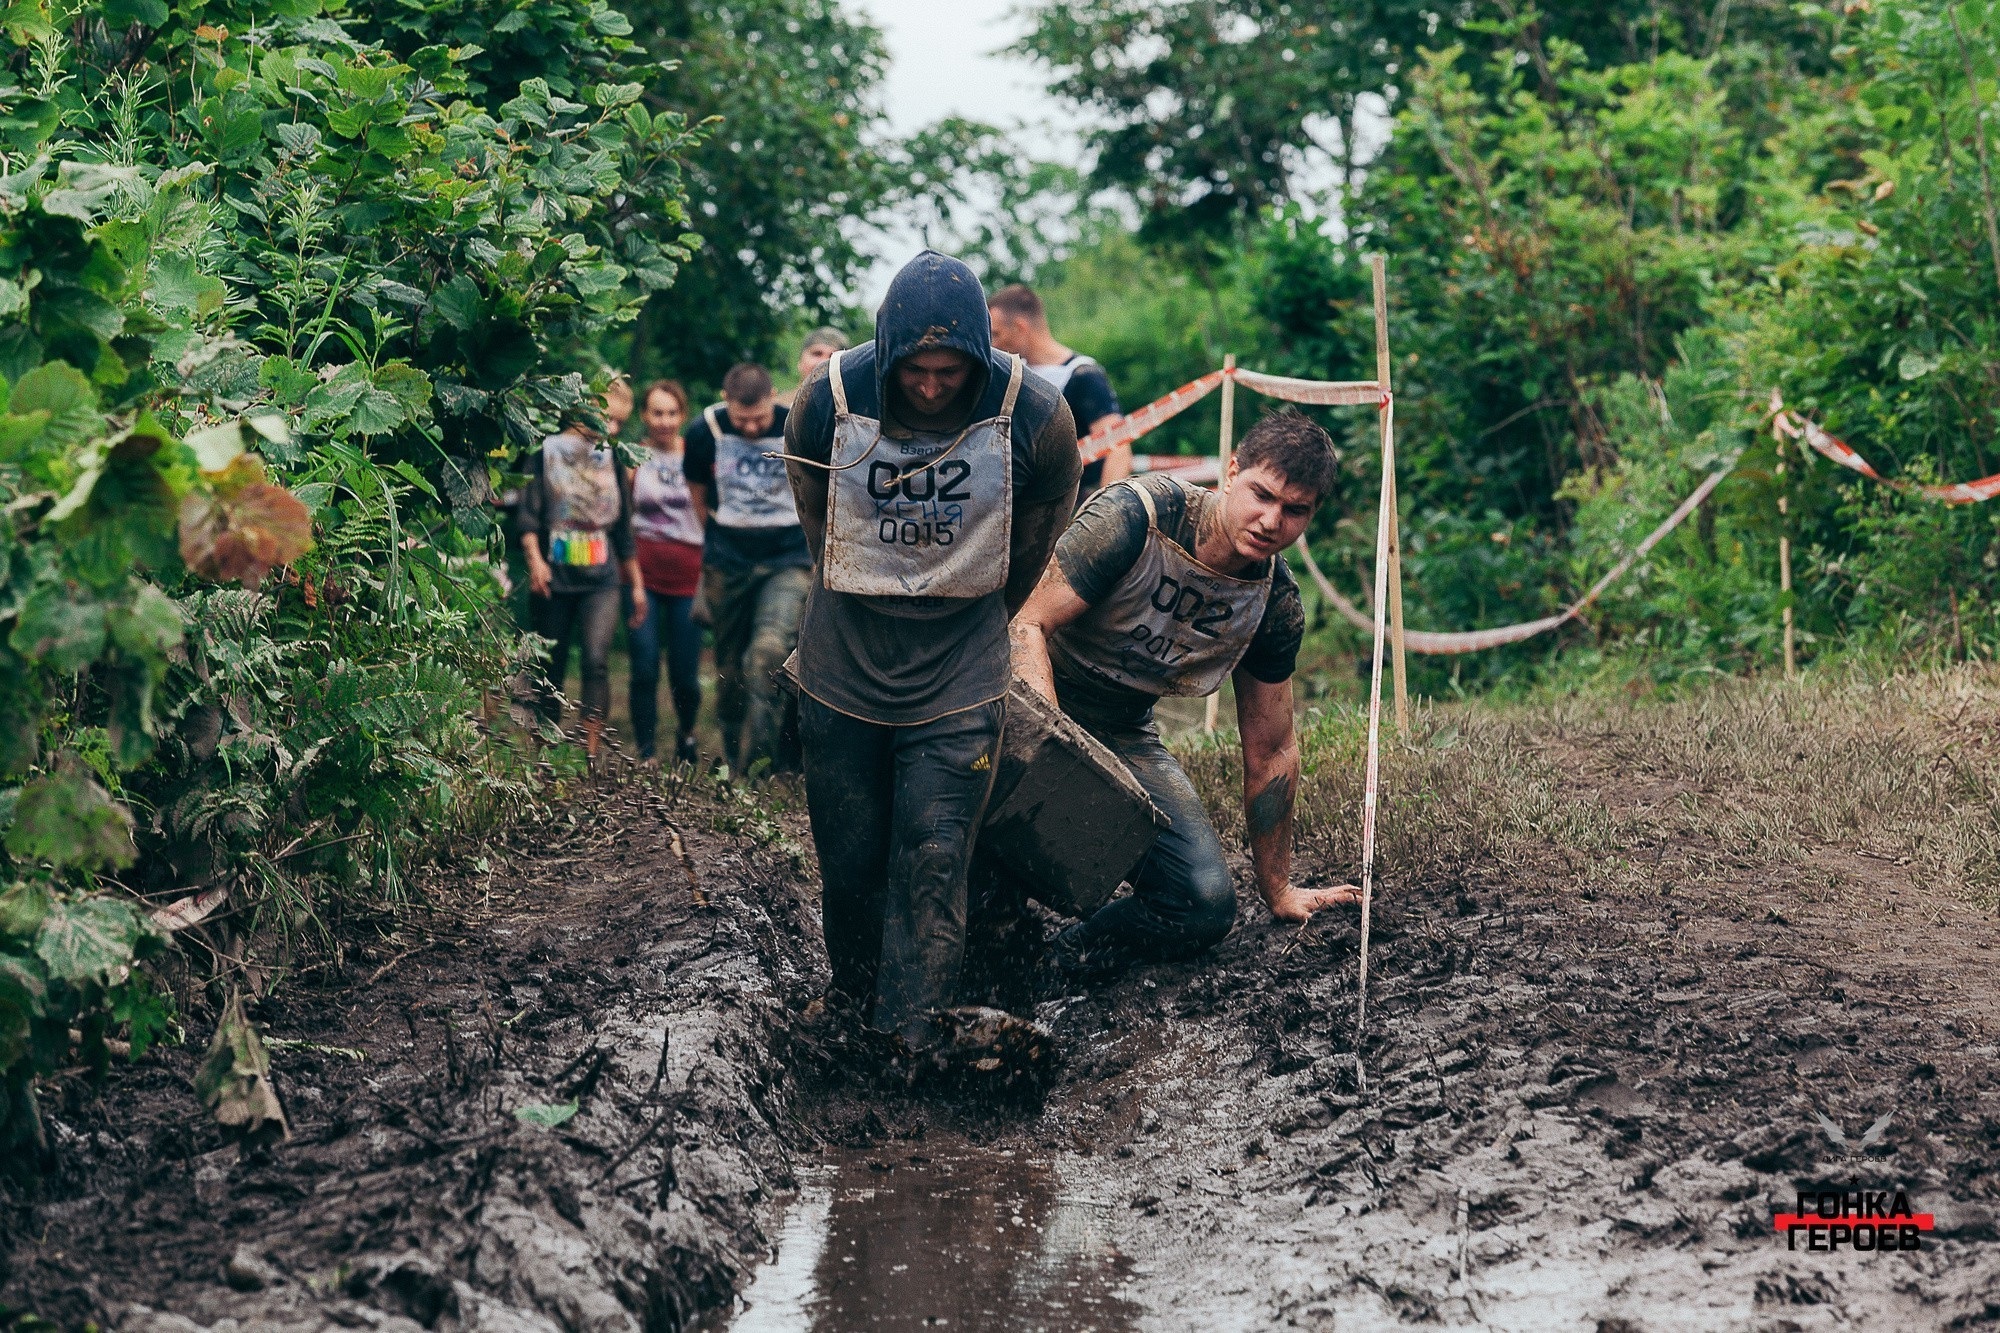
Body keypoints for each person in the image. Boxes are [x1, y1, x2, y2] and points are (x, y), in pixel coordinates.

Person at [783, 250, 1081, 1053]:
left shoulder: (1034, 415)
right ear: (889, 355)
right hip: (842, 665)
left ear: (981, 360)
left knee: (935, 853)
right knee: (851, 857)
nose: (932, 386)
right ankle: (851, 1008)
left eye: (952, 371)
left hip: (960, 671)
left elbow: (1049, 512)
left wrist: (981, 606)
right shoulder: (828, 399)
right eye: (916, 370)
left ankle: (908, 1044)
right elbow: (815, 514)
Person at [1007, 409, 1358, 982]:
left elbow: (1271, 751)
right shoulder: (1137, 516)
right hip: (1020, 699)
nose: (1271, 520)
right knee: (985, 863)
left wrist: (1279, 888)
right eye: (1261, 494)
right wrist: (1059, 766)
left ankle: (1052, 965)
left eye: (1295, 510)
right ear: (1231, 471)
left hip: (1124, 727)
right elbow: (1026, 626)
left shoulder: (1273, 603)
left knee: (1203, 905)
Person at [684, 363, 809, 773]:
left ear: (774, 396)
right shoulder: (704, 432)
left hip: (787, 558)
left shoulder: (799, 425)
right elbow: (698, 495)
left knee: (769, 654)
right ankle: (734, 756)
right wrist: (720, 542)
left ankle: (761, 768)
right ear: (725, 401)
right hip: (729, 561)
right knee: (730, 669)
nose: (752, 429)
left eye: (759, 419)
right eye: (742, 420)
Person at [517, 386, 647, 767]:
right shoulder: (546, 452)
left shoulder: (612, 458)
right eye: (607, 418)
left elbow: (624, 529)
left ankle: (590, 752)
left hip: (601, 578)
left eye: (620, 422)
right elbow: (527, 513)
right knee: (550, 663)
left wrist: (636, 585)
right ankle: (542, 752)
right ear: (583, 410)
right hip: (553, 575)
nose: (611, 427)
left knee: (596, 660)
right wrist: (535, 560)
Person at [987, 284, 1126, 503]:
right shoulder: (1014, 376)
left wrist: (1106, 514)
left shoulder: (1083, 375)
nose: (992, 344)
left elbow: (1117, 447)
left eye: (996, 334)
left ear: (1020, 327)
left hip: (1078, 508)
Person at [627, 380, 704, 767]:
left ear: (682, 415)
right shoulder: (632, 457)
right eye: (657, 412)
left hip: (689, 576)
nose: (664, 421)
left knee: (685, 672)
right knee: (643, 666)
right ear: (644, 415)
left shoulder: (697, 455)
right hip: (642, 577)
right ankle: (645, 751)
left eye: (672, 413)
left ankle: (687, 734)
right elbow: (620, 518)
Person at [778, 327, 848, 409]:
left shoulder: (854, 411)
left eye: (832, 356)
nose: (823, 362)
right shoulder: (774, 411)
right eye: (817, 354)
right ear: (800, 362)